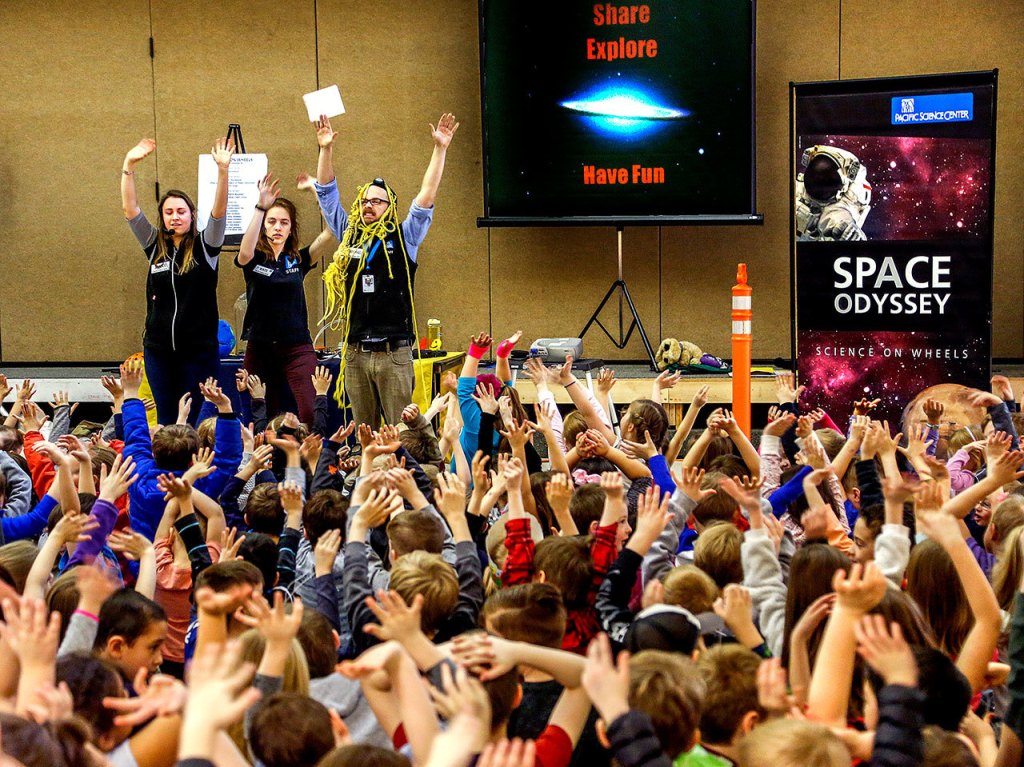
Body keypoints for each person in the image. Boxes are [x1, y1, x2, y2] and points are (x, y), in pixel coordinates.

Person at [312, 112, 459, 428]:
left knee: (400, 434)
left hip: (393, 353)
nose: (368, 205)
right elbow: (326, 193)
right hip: (354, 352)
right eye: (365, 200)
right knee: (364, 434)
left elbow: (426, 198)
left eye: (377, 202)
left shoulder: (405, 236)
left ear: (389, 207)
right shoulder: (348, 231)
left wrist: (440, 148)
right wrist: (325, 148)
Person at [120, 136, 234, 426]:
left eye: (181, 211)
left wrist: (223, 171)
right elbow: (130, 210)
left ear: (191, 214)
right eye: (168, 212)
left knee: (195, 419)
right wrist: (129, 165)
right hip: (159, 352)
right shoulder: (154, 244)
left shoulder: (206, 245)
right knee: (168, 420)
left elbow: (219, 213)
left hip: (197, 353)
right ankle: (167, 469)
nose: (175, 217)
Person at [236, 173, 336, 426]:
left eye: (284, 222)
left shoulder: (299, 259)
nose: (277, 227)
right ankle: (265, 461)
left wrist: (317, 191)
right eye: (272, 222)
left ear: (291, 228)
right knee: (261, 412)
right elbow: (244, 253)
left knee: (310, 410)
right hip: (259, 346)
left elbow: (330, 232)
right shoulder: (255, 258)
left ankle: (315, 459)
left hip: (296, 346)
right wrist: (261, 206)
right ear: (264, 226)